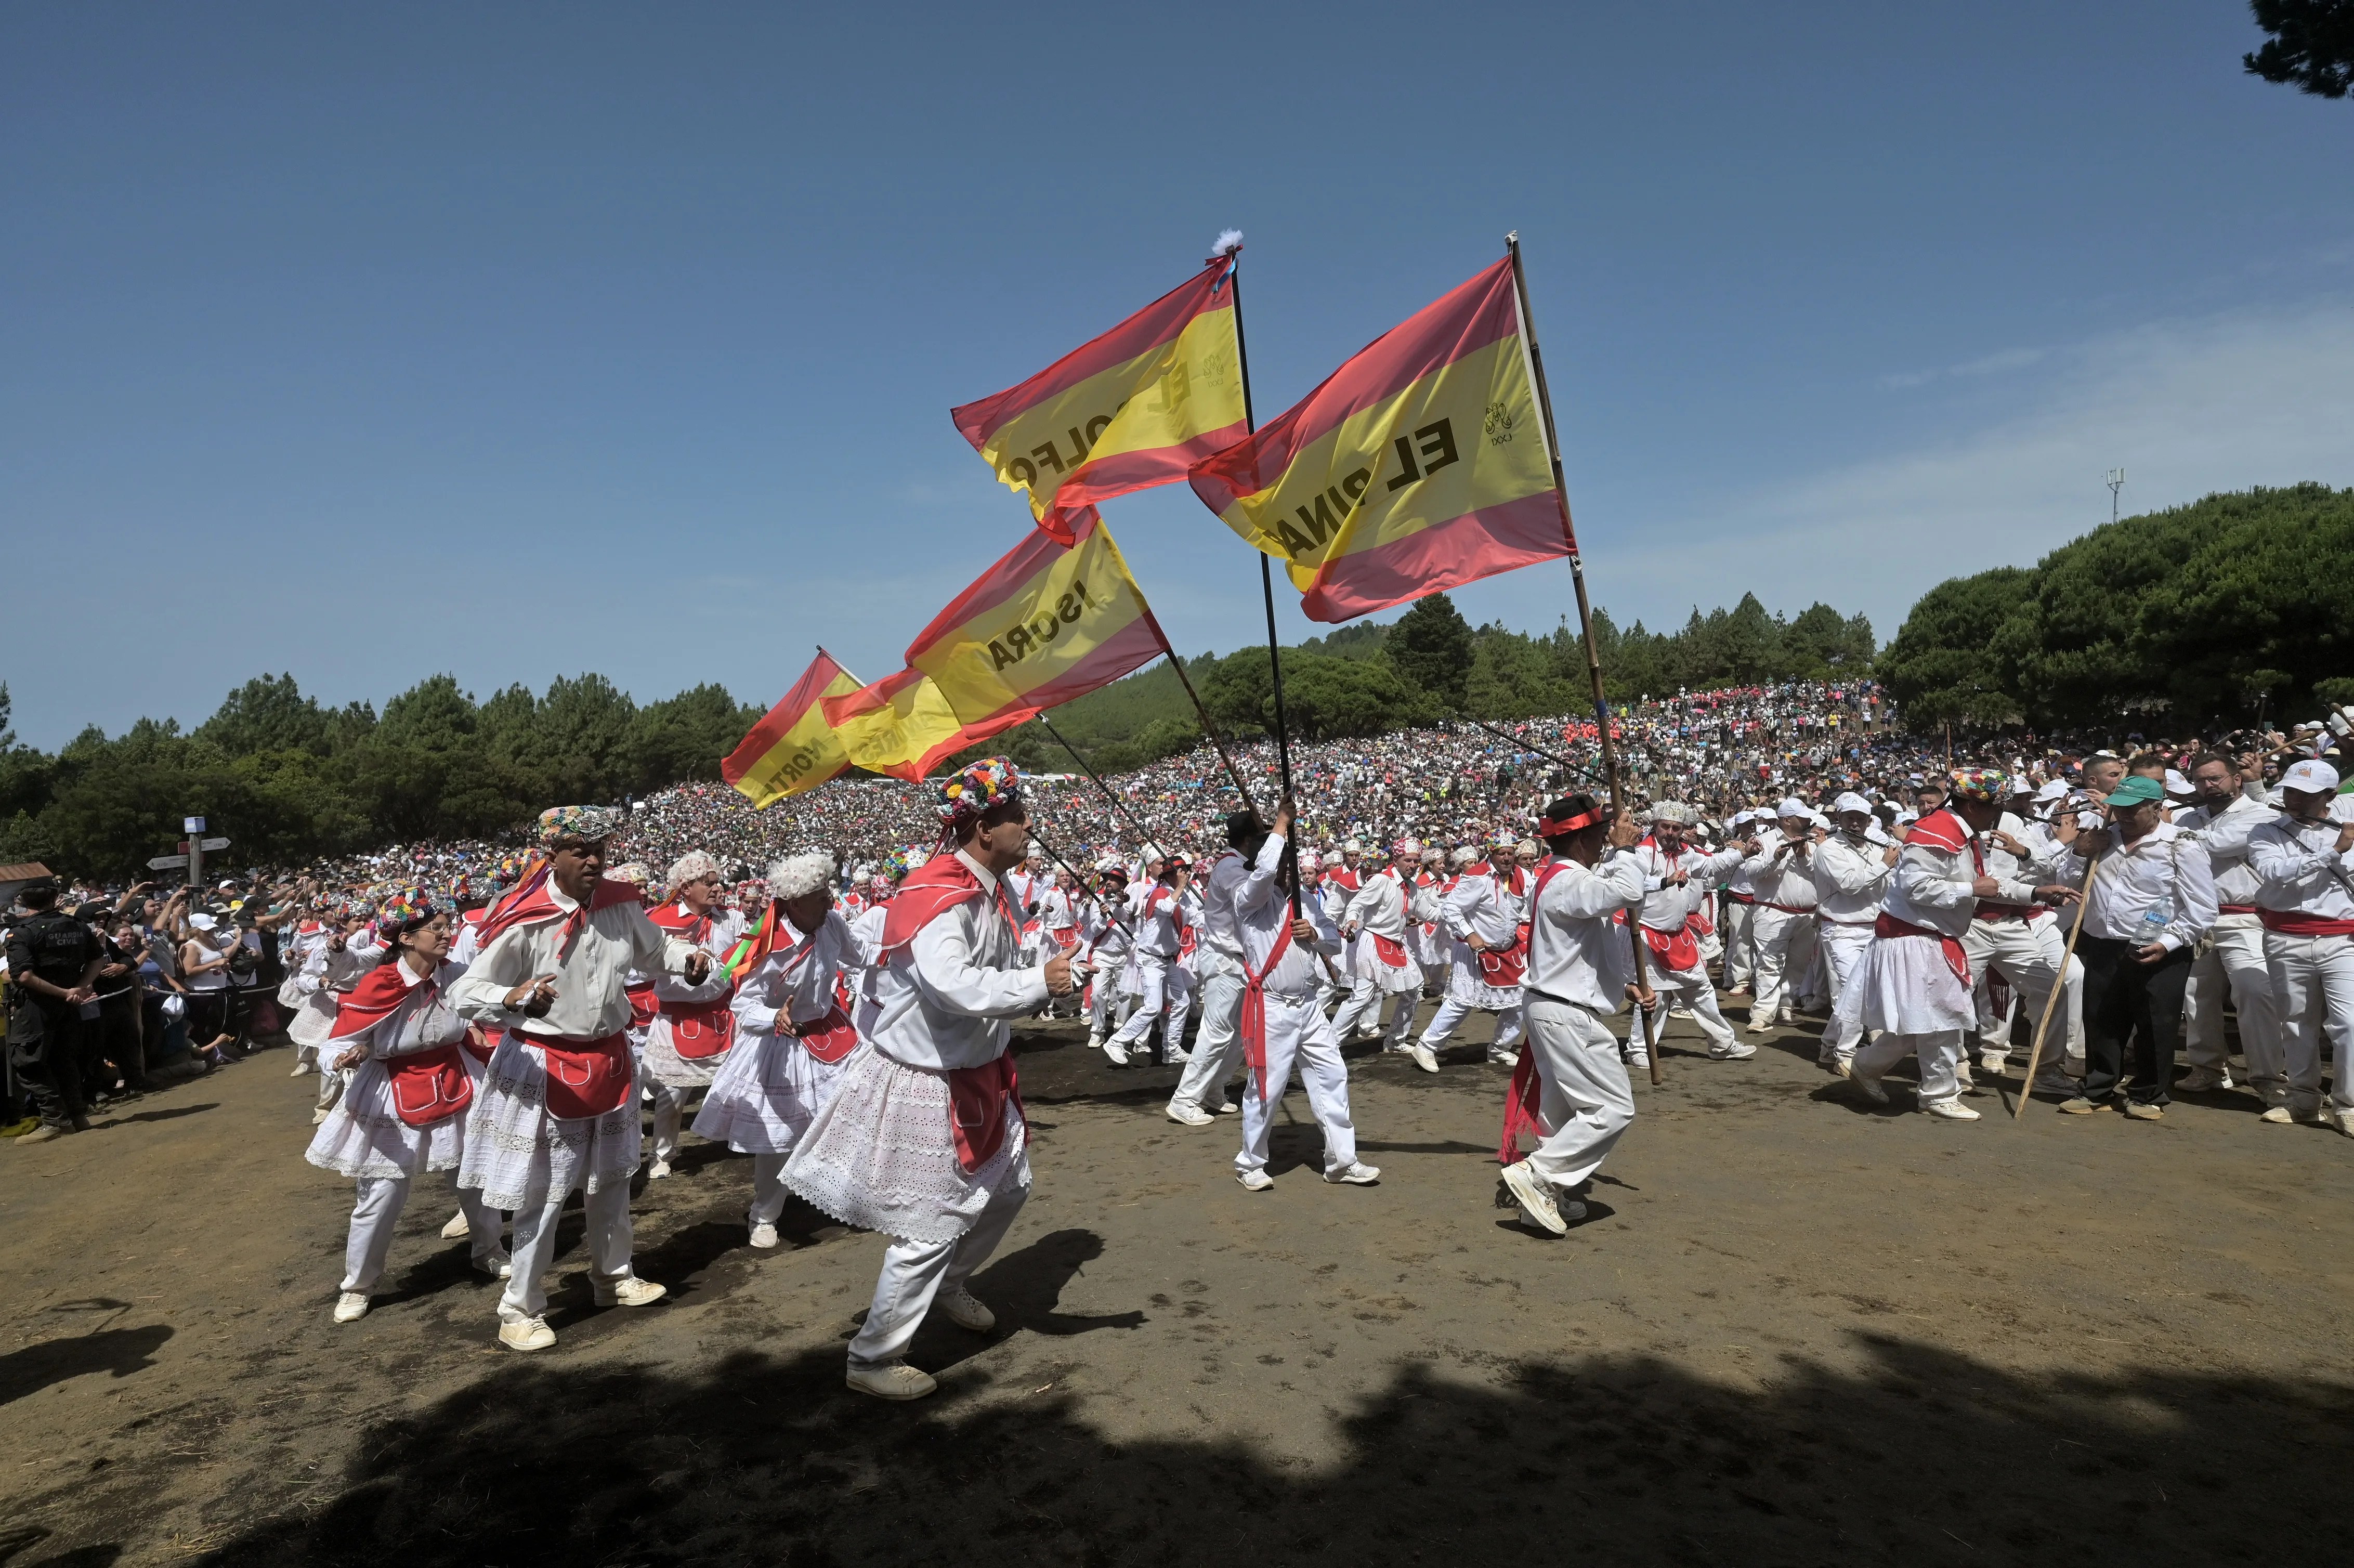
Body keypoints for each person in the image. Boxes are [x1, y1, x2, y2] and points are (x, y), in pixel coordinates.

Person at [782, 759, 1077, 1400]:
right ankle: (872, 1357)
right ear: (980, 827)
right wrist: (1036, 982)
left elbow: (986, 968)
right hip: (930, 1081)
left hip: (980, 1071)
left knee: (1008, 1191)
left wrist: (1048, 971)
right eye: (1015, 816)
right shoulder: (941, 892)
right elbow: (950, 984)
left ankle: (949, 1283)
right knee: (929, 1226)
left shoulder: (992, 887)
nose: (1029, 825)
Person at [452, 806, 715, 1352]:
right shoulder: (524, 919)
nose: (594, 858)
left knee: (613, 1180)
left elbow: (656, 948)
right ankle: (518, 1308)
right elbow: (465, 993)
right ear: (552, 855)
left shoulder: (620, 905)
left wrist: (688, 956)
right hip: (548, 1067)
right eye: (580, 849)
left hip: (611, 1058)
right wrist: (514, 996)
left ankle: (612, 1278)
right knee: (543, 1195)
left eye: (600, 847)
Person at [304, 890, 506, 1323]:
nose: (447, 934)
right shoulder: (381, 984)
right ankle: (358, 1285)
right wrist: (342, 1057)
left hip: (457, 1078)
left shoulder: (457, 974)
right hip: (391, 1091)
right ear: (407, 939)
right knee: (381, 1193)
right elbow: (337, 1041)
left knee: (475, 1176)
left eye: (447, 926)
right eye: (436, 929)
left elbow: (484, 1013)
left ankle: (489, 1251)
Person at [1849, 770, 2076, 1121]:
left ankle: (1868, 1065)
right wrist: (1972, 891)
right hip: (1914, 936)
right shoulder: (1936, 832)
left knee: (1929, 1016)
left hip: (1932, 935)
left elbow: (1986, 883)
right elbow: (1917, 888)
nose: (1997, 815)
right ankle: (1937, 1093)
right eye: (1993, 808)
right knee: (1939, 1015)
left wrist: (2034, 893)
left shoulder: (1960, 830)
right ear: (1971, 806)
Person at [1495, 794, 1652, 1236]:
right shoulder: (1567, 882)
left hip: (1556, 1003)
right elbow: (1626, 890)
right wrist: (1625, 851)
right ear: (1582, 840)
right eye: (1601, 837)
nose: (1607, 842)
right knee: (1613, 1108)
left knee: (1559, 1114)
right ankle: (1540, 1175)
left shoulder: (1562, 878)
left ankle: (1545, 1199)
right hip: (1564, 1012)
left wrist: (1621, 986)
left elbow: (1574, 952)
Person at [696, 850, 861, 1249]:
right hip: (781, 1046)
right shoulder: (765, 943)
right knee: (777, 1138)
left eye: (828, 893)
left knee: (849, 1118)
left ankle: (840, 1196)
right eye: (821, 895)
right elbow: (742, 1003)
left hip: (833, 1037)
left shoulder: (832, 923)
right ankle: (764, 1216)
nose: (831, 901)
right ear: (796, 902)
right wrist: (774, 1018)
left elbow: (861, 958)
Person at [1227, 800, 1380, 1192]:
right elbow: (1261, 875)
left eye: (1286, 867)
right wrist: (1280, 825)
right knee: (1267, 1085)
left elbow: (1331, 939)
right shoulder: (1249, 900)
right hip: (1273, 1006)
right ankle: (1251, 1162)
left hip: (1309, 1005)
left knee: (1332, 1075)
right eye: (1280, 866)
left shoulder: (1306, 901)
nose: (1283, 873)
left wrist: (1314, 935)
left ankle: (1343, 1161)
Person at [2047, 774, 2217, 1119]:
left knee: (2156, 1021)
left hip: (2158, 946)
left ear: (2157, 808)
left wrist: (2169, 942)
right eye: (2119, 807)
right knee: (2101, 1020)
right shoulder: (2100, 839)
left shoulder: (2181, 843)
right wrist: (2079, 854)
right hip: (2103, 944)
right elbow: (2063, 886)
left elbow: (2203, 908)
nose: (2124, 815)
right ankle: (2098, 1088)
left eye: (2134, 809)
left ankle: (2148, 1094)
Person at [2247, 757, 2354, 1133]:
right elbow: (2274, 872)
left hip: (2344, 938)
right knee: (2295, 1023)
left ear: (2330, 795)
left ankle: (2348, 1105)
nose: (2294, 799)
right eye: (2290, 791)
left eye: (2305, 794)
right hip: (2285, 936)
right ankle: (2302, 1100)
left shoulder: (2348, 827)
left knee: (2349, 1025)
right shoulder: (2265, 831)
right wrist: (2335, 850)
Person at [2178, 750, 2285, 1103]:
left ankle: (2268, 1074)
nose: (2208, 786)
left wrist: (2177, 840)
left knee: (2254, 991)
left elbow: (2219, 845)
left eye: (2215, 778)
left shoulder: (2261, 814)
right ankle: (2207, 1068)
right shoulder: (2189, 818)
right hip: (2196, 917)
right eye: (2200, 780)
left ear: (2236, 779)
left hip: (2243, 916)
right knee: (2196, 995)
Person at [639, 851, 741, 1181]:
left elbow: (744, 957)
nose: (717, 888)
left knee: (740, 1085)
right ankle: (661, 1154)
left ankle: (742, 1139)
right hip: (677, 1020)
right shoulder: (659, 922)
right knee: (671, 1095)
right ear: (685, 888)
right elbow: (640, 966)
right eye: (708, 883)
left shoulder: (733, 919)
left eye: (718, 882)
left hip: (723, 1017)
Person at [1625, 802, 1749, 1065]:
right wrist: (1665, 882)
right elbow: (1631, 884)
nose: (1670, 832)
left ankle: (1722, 1043)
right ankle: (1639, 1049)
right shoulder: (1643, 853)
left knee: (1702, 990)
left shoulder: (1687, 853)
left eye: (1676, 828)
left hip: (1678, 936)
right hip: (1648, 936)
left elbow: (1712, 865)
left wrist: (1744, 854)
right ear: (1656, 826)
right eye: (1666, 827)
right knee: (1653, 996)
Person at [1416, 836, 1528, 1073]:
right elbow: (1450, 907)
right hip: (1474, 951)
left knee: (1517, 1003)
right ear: (1492, 854)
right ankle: (1426, 1046)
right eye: (1502, 853)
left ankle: (1499, 1049)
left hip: (1507, 951)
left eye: (1510, 853)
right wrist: (1469, 934)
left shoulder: (1521, 876)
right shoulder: (1477, 877)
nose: (1507, 858)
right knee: (1462, 1002)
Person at [5, 879, 102, 1141]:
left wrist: (66, 993)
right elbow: (98, 958)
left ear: (23, 902)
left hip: (38, 1006)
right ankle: (78, 1116)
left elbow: (23, 976)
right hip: (70, 1005)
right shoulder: (78, 926)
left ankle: (56, 1121)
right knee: (64, 1060)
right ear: (55, 897)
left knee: (27, 1062)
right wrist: (79, 988)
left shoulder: (22, 932)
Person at [1812, 793, 1895, 1072]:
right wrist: (1885, 865)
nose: (1856, 824)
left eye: (1861, 819)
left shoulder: (1878, 848)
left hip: (1875, 931)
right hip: (1841, 931)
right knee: (1853, 993)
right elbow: (1849, 884)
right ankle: (1845, 1055)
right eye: (1850, 818)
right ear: (1839, 819)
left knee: (1863, 992)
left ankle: (1829, 1045)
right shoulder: (1828, 850)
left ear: (1870, 821)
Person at [1331, 843, 1432, 1054]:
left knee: (1412, 993)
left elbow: (1430, 913)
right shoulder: (1381, 880)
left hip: (1395, 945)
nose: (1413, 865)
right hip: (1372, 942)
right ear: (1396, 860)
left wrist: (1458, 911)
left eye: (1416, 861)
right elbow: (1357, 904)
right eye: (1408, 860)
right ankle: (1330, 1044)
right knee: (1363, 996)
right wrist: (1352, 920)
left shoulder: (1412, 888)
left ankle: (1395, 1040)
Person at [1741, 799, 1822, 1033]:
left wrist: (1802, 856)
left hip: (1807, 915)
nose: (1808, 821)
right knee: (1769, 964)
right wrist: (1775, 858)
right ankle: (1763, 1013)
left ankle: (1785, 1007)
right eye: (1802, 817)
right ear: (1787, 820)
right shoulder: (1763, 841)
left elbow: (1819, 876)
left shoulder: (1814, 843)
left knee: (1797, 966)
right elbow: (1750, 872)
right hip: (1773, 912)